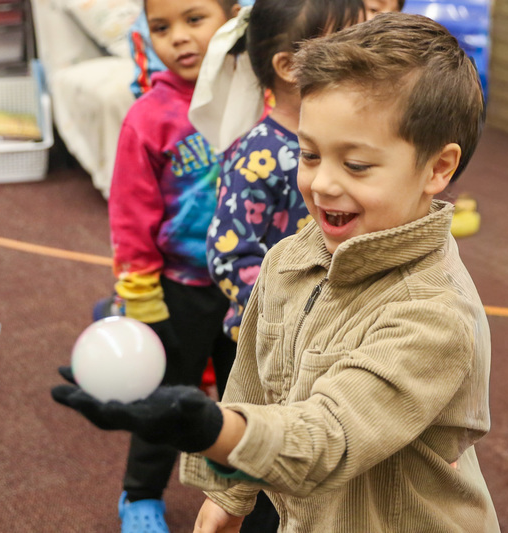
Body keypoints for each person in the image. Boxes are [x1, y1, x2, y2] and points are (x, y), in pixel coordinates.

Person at [53, 12, 498, 533]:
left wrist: (208, 429)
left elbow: (327, 438)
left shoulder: (433, 312)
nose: (322, 184)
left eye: (356, 165)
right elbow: (256, 386)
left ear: (438, 169)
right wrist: (228, 493)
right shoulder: (290, 257)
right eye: (308, 154)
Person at [200, 1, 364, 530]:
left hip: (334, 344)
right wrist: (296, 312)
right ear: (290, 67)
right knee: (261, 480)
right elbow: (228, 255)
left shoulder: (357, 143)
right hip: (261, 347)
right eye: (345, 46)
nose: (362, 56)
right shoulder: (258, 153)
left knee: (321, 460)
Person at [89, 0, 240, 530]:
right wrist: (142, 298)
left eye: (194, 19)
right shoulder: (149, 117)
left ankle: (238, 490)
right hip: (181, 287)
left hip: (248, 287)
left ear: (233, 19)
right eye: (161, 26)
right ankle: (141, 494)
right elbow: (130, 216)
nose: (178, 37)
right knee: (166, 393)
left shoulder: (255, 99)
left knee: (246, 394)